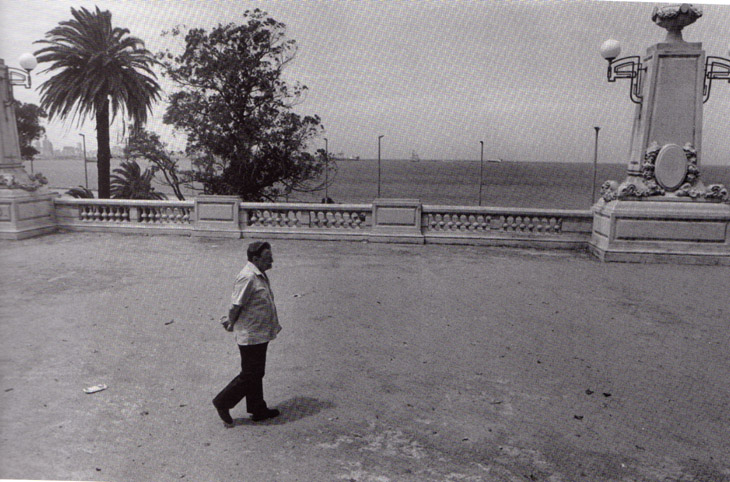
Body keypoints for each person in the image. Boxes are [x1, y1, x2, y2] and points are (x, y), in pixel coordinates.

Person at [213, 241, 281, 426]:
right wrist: (230, 323)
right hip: (250, 334)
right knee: (251, 374)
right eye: (268, 258)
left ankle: (258, 408)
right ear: (256, 259)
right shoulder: (247, 277)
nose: (272, 261)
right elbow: (236, 305)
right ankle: (222, 402)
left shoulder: (259, 275)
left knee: (257, 372)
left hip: (260, 332)